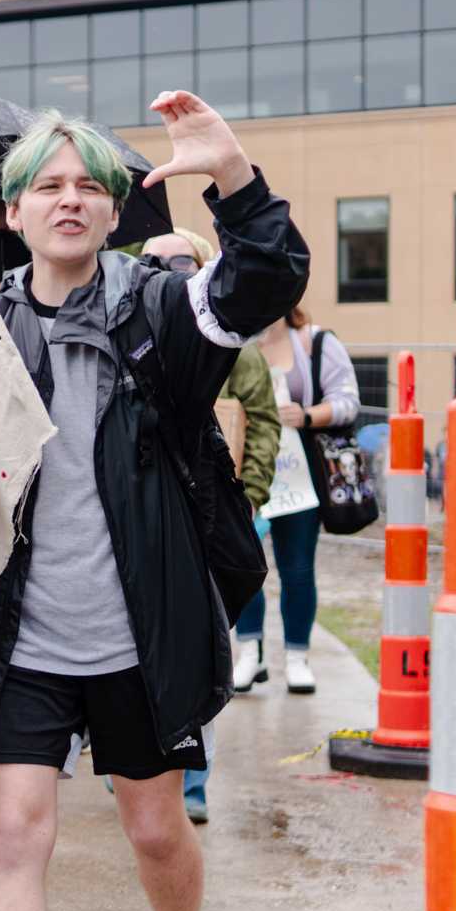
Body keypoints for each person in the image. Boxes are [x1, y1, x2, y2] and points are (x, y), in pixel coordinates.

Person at [0, 93, 308, 911]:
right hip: (24, 642)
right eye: (48, 183)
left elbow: (266, 279)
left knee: (153, 829)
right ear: (11, 209)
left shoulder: (159, 308)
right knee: (12, 837)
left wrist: (231, 173)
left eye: (90, 183)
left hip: (142, 634)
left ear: (114, 208)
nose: (71, 198)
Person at [140, 229, 281, 824]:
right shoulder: (125, 337)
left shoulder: (236, 350)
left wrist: (246, 499)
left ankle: (190, 785)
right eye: (151, 261)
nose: (163, 270)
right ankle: (139, 772)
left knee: (197, 656)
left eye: (179, 260)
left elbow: (266, 425)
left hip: (210, 522)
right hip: (142, 526)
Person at [233, 307, 360, 695]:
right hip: (244, 469)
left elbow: (348, 401)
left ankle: (296, 657)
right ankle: (249, 652)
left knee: (298, 569)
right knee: (241, 564)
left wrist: (305, 415)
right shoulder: (231, 336)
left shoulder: (315, 341)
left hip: (298, 477)